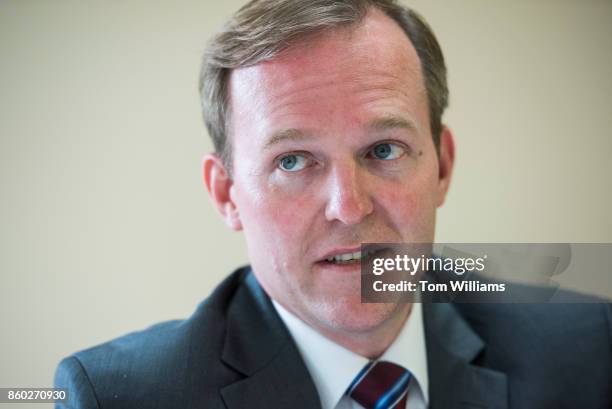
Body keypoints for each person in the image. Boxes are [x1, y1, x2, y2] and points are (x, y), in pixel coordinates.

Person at [55, 1, 612, 408]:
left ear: (441, 165)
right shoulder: (118, 396)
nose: (349, 207)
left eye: (384, 150)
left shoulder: (587, 346)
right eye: (293, 161)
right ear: (227, 194)